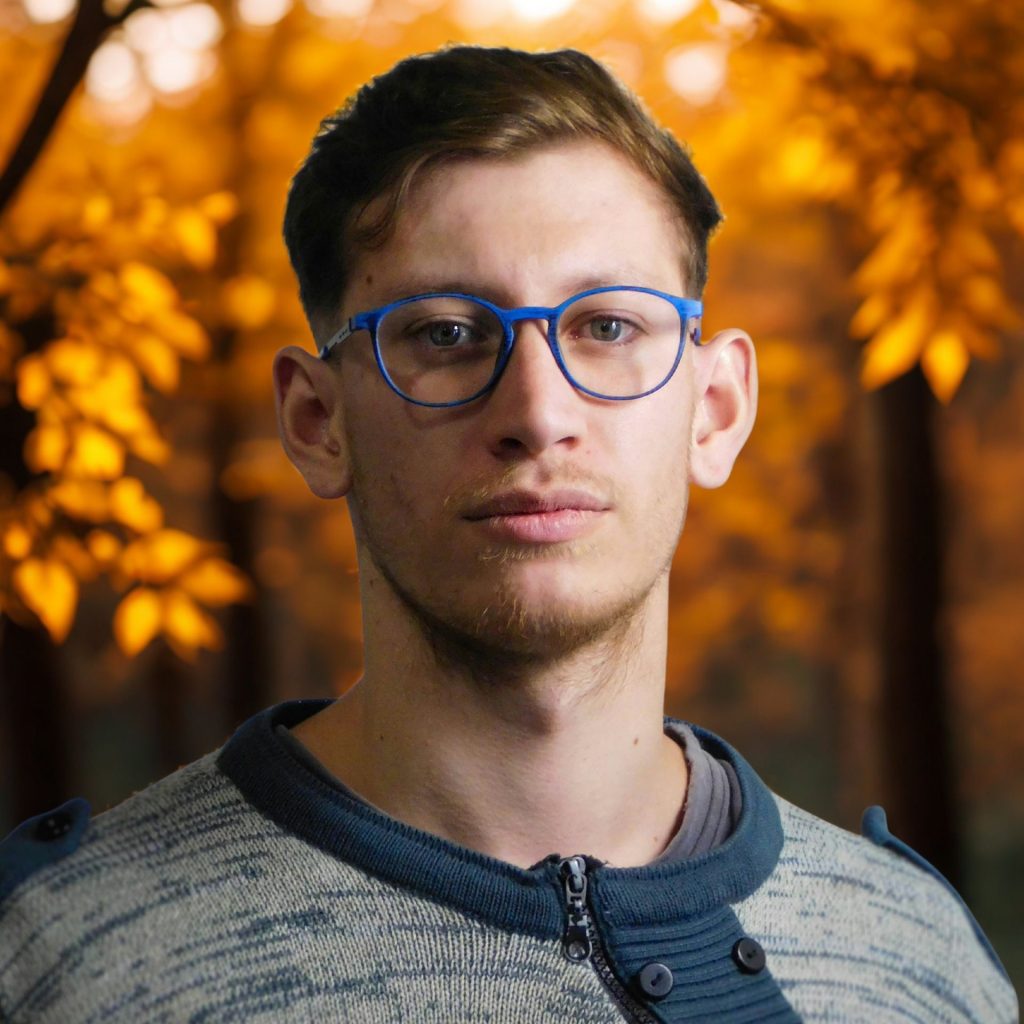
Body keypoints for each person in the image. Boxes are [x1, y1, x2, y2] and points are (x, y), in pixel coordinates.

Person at [0, 45, 1016, 1024]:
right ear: (318, 422)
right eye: (446, 334)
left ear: (715, 410)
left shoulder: (917, 959)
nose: (537, 410)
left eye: (607, 327)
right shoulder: (64, 963)